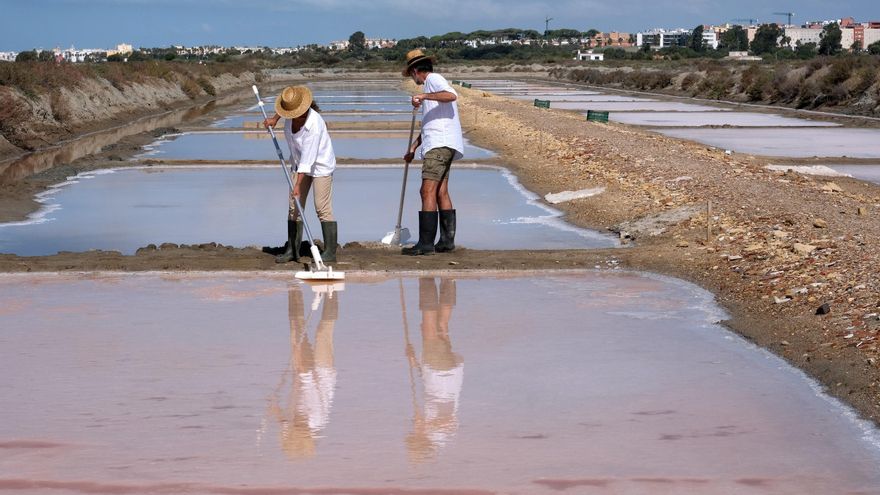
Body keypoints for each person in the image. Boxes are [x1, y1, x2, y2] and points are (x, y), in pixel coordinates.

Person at [263, 86, 338, 263]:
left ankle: (330, 253)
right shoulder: (290, 116)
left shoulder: (314, 125)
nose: (287, 114)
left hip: (320, 166)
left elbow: (308, 159)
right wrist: (274, 119)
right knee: (293, 208)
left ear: (302, 110)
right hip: (298, 164)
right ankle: (292, 250)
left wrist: (297, 185)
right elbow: (283, 112)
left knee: (322, 208)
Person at [401, 49, 463, 256]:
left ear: (415, 71)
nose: (412, 78)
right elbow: (430, 124)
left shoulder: (433, 80)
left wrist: (424, 95)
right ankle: (446, 242)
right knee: (440, 191)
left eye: (411, 74)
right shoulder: (430, 89)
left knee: (426, 191)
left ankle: (426, 244)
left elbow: (451, 95)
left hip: (439, 145)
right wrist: (413, 147)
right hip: (443, 144)